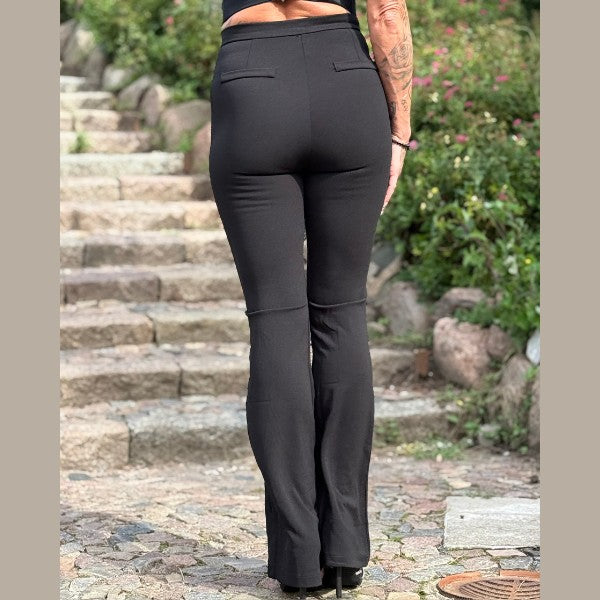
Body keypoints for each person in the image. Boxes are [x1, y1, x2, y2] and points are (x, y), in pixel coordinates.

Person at [209, 0, 413, 597]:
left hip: (252, 84)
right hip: (344, 81)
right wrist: (400, 132)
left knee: (275, 320)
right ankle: (344, 549)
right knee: (342, 314)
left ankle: (299, 560)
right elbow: (387, 12)